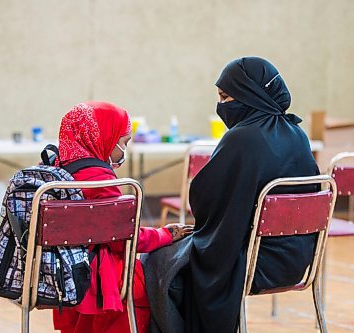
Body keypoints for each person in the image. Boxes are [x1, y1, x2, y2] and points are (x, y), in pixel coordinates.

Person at [142, 57, 320, 333]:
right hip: (299, 260)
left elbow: (207, 200)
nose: (221, 105)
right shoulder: (297, 134)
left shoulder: (243, 138)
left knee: (157, 259)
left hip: (255, 262)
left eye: (225, 96)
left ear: (250, 95)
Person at [52, 101, 193, 333]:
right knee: (156, 280)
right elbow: (125, 240)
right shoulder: (100, 180)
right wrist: (165, 234)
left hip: (62, 277)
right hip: (98, 280)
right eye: (124, 142)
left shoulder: (54, 171)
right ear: (104, 138)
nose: (123, 150)